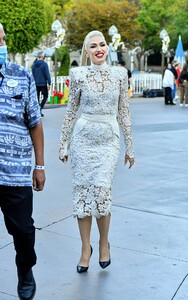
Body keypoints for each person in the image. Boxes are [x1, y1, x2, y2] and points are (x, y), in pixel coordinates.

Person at [59, 30, 134, 273]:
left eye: (102, 44)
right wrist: (64, 143)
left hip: (108, 140)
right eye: (93, 46)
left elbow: (123, 112)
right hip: (83, 139)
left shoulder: (120, 74)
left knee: (101, 191)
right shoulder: (78, 74)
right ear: (87, 51)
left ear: (107, 48)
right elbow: (71, 112)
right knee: (82, 195)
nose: (99, 48)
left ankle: (103, 243)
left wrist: (129, 147)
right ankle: (84, 249)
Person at [0, 23, 45, 299]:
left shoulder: (22, 76)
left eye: (2, 40)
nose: (1, 46)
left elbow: (35, 123)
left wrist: (39, 166)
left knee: (24, 232)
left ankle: (25, 269)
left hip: (14, 173)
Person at [32, 51, 51, 117]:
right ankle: (40, 107)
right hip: (43, 84)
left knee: (36, 98)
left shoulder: (33, 64)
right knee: (45, 96)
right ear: (42, 57)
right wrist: (49, 82)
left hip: (35, 84)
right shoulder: (44, 64)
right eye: (44, 57)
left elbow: (32, 75)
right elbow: (47, 74)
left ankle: (38, 111)